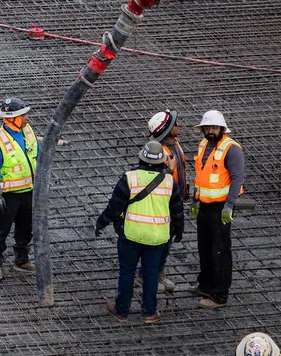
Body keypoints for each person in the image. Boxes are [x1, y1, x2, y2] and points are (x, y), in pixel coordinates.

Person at [95, 140, 184, 324]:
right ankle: (150, 312)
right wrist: (179, 232)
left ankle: (121, 311)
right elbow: (177, 211)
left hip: (131, 235)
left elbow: (114, 207)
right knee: (151, 274)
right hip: (157, 237)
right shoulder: (170, 182)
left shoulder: (130, 178)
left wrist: (101, 223)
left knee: (127, 273)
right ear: (163, 161)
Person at [189, 109, 245, 309]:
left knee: (220, 251)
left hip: (221, 207)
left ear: (222, 128)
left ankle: (220, 296)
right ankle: (206, 285)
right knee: (205, 247)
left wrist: (229, 206)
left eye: (214, 128)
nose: (211, 131)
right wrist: (196, 199)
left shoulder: (231, 149)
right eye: (208, 128)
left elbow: (237, 178)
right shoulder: (203, 144)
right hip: (205, 204)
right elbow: (200, 175)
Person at [0, 99, 37, 280]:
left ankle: (21, 260)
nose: (26, 118)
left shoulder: (28, 132)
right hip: (8, 195)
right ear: (11, 118)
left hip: (28, 190)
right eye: (23, 115)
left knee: (26, 227)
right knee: (1, 229)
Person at [147, 109, 187, 293]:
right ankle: (145, 276)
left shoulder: (175, 145)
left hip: (175, 201)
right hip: (162, 204)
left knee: (168, 240)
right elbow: (152, 178)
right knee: (157, 242)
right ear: (167, 129)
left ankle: (159, 273)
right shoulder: (157, 151)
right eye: (175, 123)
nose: (178, 125)